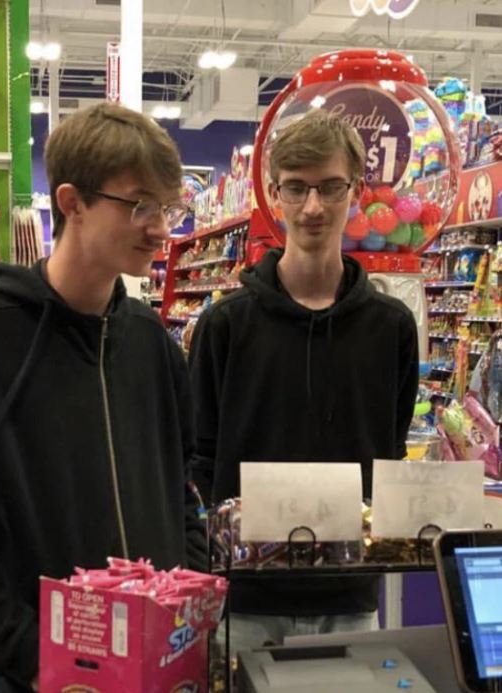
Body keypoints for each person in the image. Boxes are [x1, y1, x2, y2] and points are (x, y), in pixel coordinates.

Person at [0, 102, 208, 693]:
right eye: (140, 204)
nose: (161, 229)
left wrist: (183, 598)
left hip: (156, 670)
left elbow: (181, 494)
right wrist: (31, 656)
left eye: (168, 208)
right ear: (72, 202)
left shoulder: (153, 345)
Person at [189, 109, 419, 652]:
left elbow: (389, 452)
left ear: (355, 191)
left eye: (330, 187)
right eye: (296, 188)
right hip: (245, 603)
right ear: (275, 195)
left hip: (349, 598)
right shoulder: (224, 326)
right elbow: (200, 460)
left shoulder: (391, 328)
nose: (313, 207)